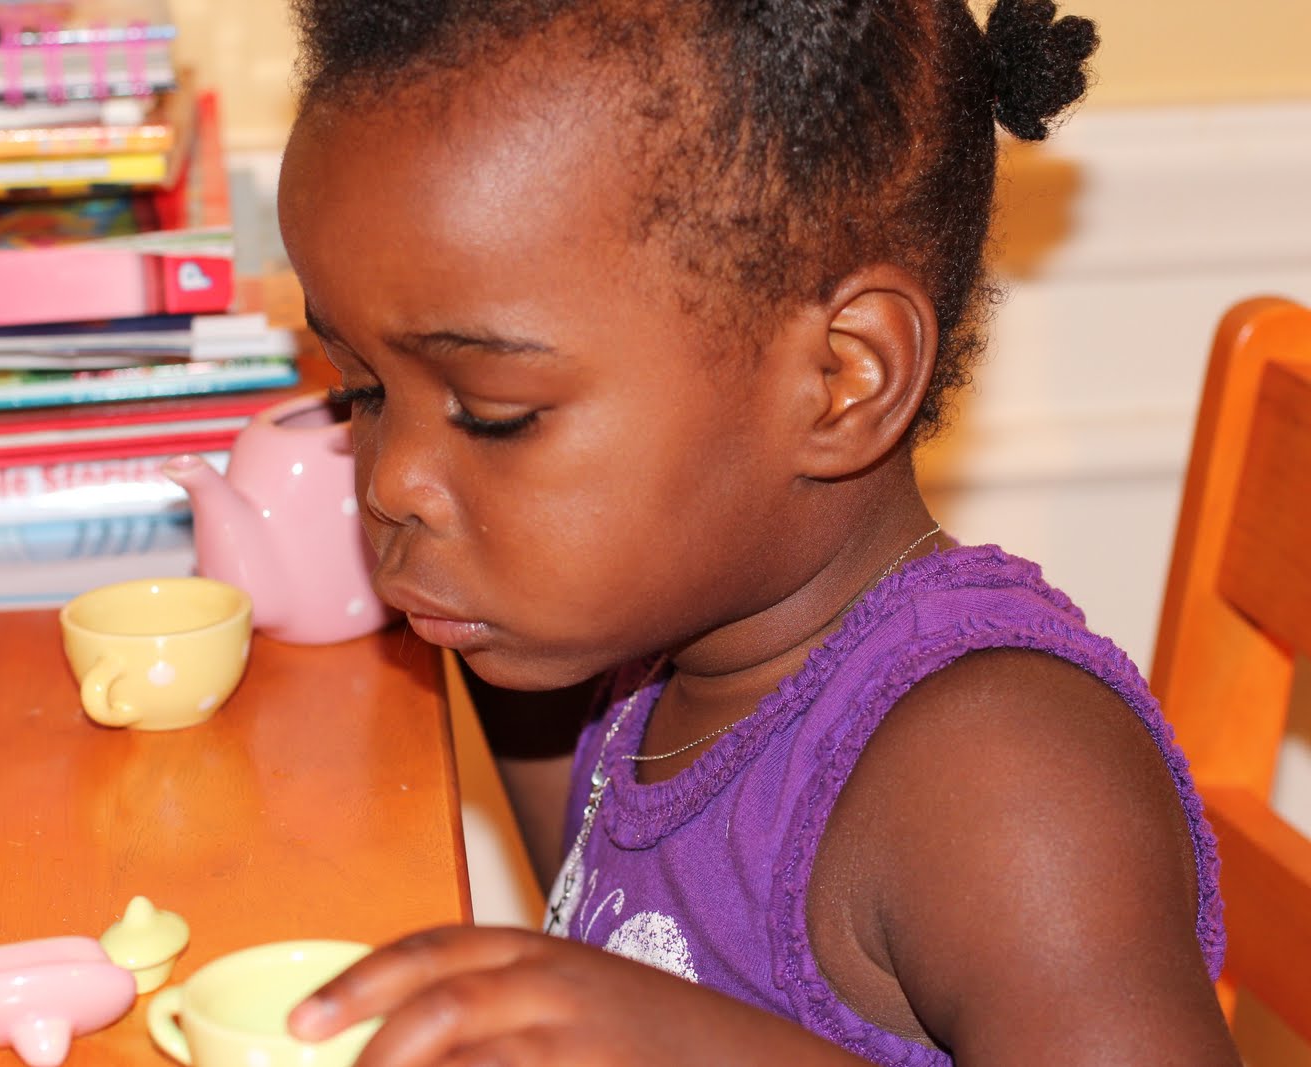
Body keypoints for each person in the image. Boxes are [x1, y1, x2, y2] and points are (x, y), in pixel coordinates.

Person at [274, 0, 1241, 1062]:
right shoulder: (640, 636)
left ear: (839, 378)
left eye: (494, 412)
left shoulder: (1001, 775)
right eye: (361, 389)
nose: (393, 481)